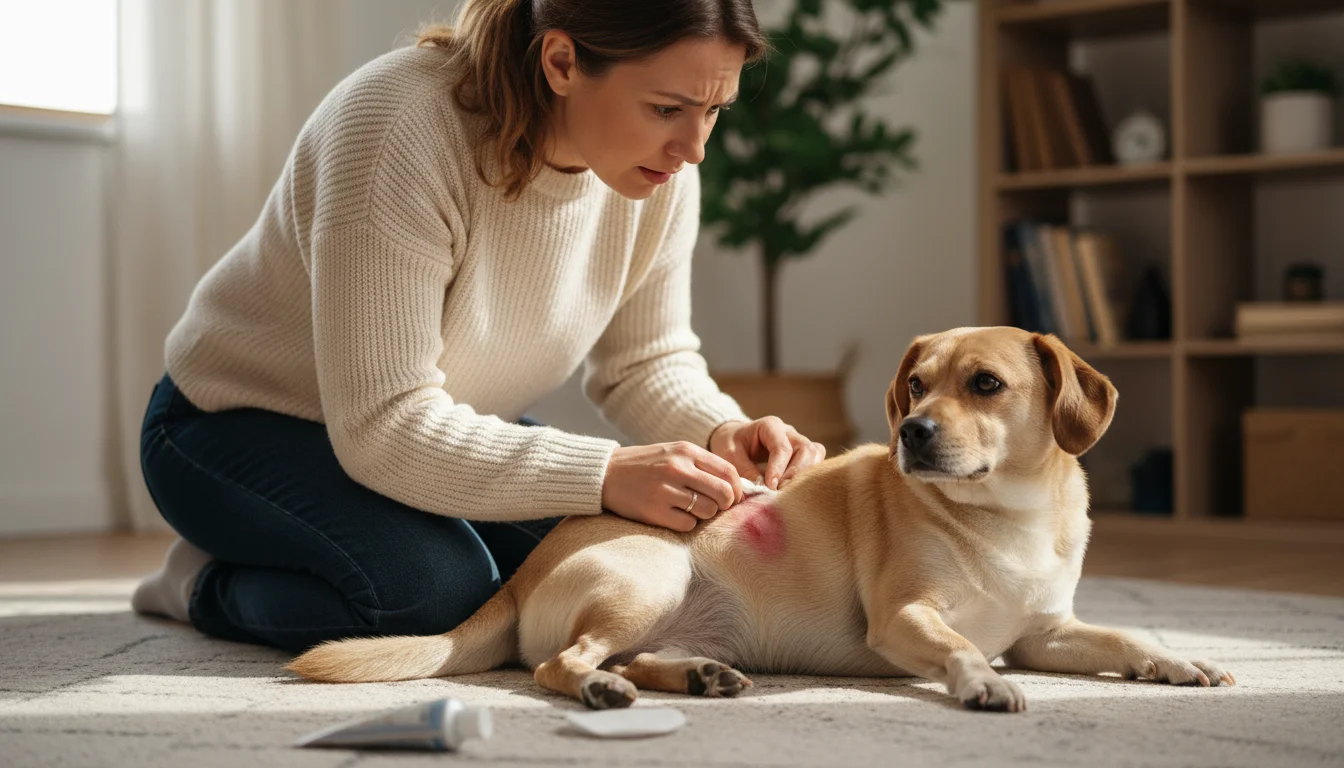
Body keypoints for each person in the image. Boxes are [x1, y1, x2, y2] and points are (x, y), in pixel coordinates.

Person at [130, 0, 825, 654]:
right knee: (435, 594)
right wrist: (606, 471)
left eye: (714, 110)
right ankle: (199, 584)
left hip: (425, 429)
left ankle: (319, 542)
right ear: (561, 62)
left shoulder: (658, 171)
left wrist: (723, 434)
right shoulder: (398, 125)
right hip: (228, 427)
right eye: (667, 108)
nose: (694, 148)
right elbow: (383, 424)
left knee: (638, 558)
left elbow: (644, 361)